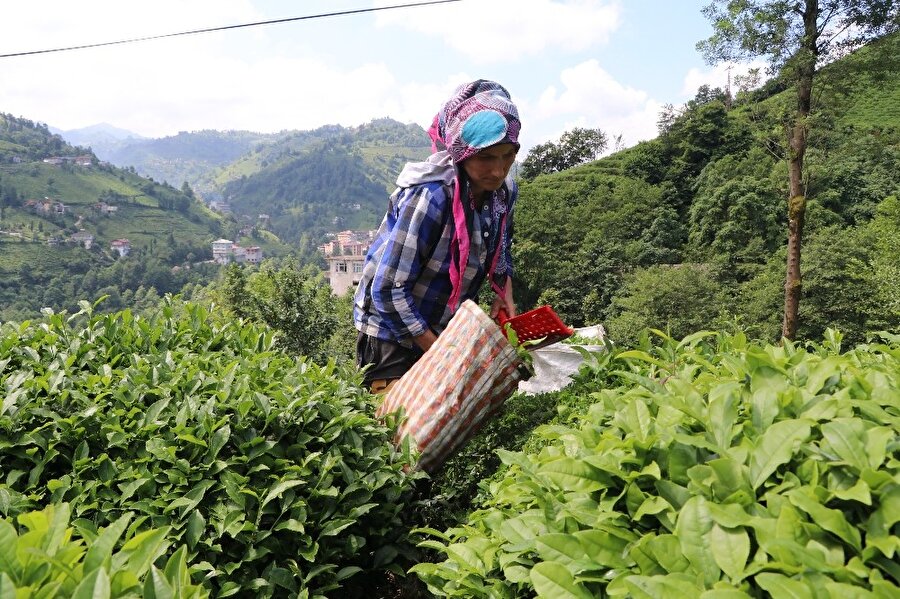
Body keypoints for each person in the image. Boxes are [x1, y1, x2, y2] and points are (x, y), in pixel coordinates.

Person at [353, 79, 520, 393]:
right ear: (461, 151)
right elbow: (388, 289)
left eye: (508, 156)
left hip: (441, 326)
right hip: (390, 332)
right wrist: (439, 354)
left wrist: (504, 296)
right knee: (397, 427)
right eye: (486, 158)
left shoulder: (503, 193)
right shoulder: (431, 196)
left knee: (444, 423)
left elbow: (501, 249)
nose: (498, 171)